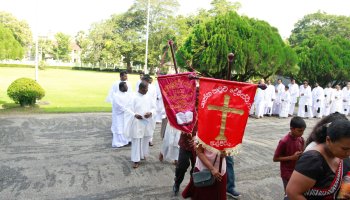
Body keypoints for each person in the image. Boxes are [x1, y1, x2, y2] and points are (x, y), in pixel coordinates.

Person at [286, 120, 350, 199]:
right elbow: (292, 192)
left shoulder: (342, 156)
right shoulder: (312, 160)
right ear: (328, 140)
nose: (348, 153)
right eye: (344, 149)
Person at [124, 81, 156, 169]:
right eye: (145, 89)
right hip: (137, 122)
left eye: (147, 89)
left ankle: (143, 155)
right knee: (136, 140)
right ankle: (135, 160)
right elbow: (127, 109)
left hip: (147, 121)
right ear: (140, 88)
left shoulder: (148, 96)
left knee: (146, 139)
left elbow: (154, 108)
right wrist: (134, 115)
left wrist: (151, 113)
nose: (146, 91)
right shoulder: (133, 96)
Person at [273, 116, 306, 199]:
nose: (302, 133)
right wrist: (291, 157)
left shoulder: (301, 139)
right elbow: (275, 158)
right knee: (289, 194)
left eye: (303, 131)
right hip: (287, 173)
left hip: (297, 171)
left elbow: (302, 151)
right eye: (300, 131)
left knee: (296, 192)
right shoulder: (284, 141)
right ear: (292, 129)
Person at [111, 82, 131, 148]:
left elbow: (130, 103)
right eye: (126, 86)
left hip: (126, 115)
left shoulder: (127, 95)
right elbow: (118, 106)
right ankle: (119, 142)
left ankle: (126, 140)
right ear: (121, 87)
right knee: (120, 128)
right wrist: (126, 110)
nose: (127, 88)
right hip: (119, 115)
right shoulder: (116, 95)